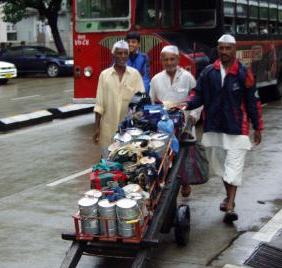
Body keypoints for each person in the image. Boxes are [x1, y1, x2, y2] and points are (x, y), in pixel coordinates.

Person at [181, 34, 263, 223]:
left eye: (228, 48)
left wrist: (258, 127)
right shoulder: (208, 72)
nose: (224, 51)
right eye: (221, 48)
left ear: (235, 50)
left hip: (237, 129)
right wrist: (185, 105)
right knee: (223, 168)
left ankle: (230, 206)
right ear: (218, 49)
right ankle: (228, 198)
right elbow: (198, 95)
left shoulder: (244, 73)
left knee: (234, 167)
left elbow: (253, 102)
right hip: (214, 128)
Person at [150, 45, 202, 197]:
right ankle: (165, 189)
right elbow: (152, 102)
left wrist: (194, 115)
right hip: (164, 127)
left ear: (178, 60)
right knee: (165, 157)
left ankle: (185, 183)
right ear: (161, 61)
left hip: (185, 125)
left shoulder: (187, 77)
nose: (169, 62)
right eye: (165, 59)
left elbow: (198, 97)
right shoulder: (156, 80)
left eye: (172, 59)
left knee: (184, 157)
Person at [93, 40, 145, 158]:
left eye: (125, 53)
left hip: (129, 131)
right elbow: (99, 104)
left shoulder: (135, 74)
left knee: (128, 165)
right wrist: (96, 128)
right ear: (113, 54)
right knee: (108, 165)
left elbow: (142, 99)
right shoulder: (104, 75)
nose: (122, 56)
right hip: (108, 131)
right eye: (119, 53)